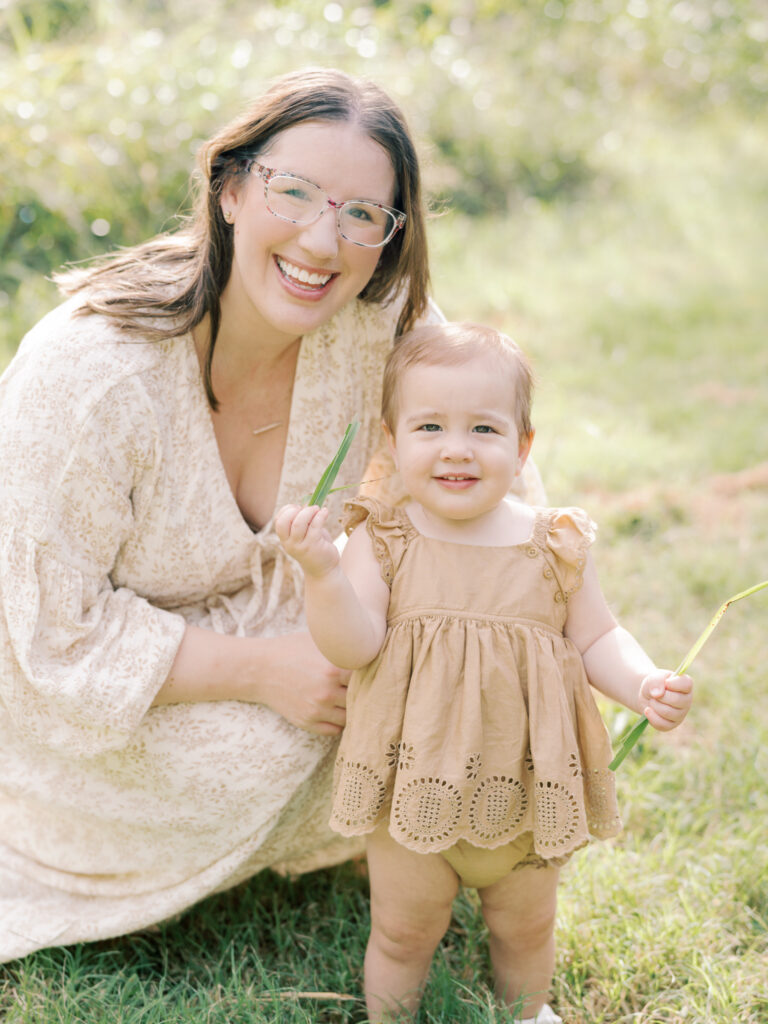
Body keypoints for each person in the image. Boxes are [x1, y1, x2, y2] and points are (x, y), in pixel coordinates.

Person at [0, 67, 548, 964]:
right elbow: (48, 639)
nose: (322, 241)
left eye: (362, 215)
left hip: (307, 615)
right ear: (229, 188)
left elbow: (490, 488)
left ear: (389, 236)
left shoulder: (378, 321)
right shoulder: (91, 377)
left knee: (466, 660)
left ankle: (409, 814)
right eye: (292, 192)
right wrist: (264, 672)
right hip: (78, 704)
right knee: (277, 739)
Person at [276, 321, 694, 1024]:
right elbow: (352, 646)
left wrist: (643, 681)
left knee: (526, 927)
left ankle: (526, 1013)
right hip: (414, 789)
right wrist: (322, 572)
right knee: (405, 932)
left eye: (484, 430)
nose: (456, 449)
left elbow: (597, 637)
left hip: (528, 789)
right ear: (393, 440)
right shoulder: (384, 539)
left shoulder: (553, 542)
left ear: (522, 445)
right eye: (431, 426)